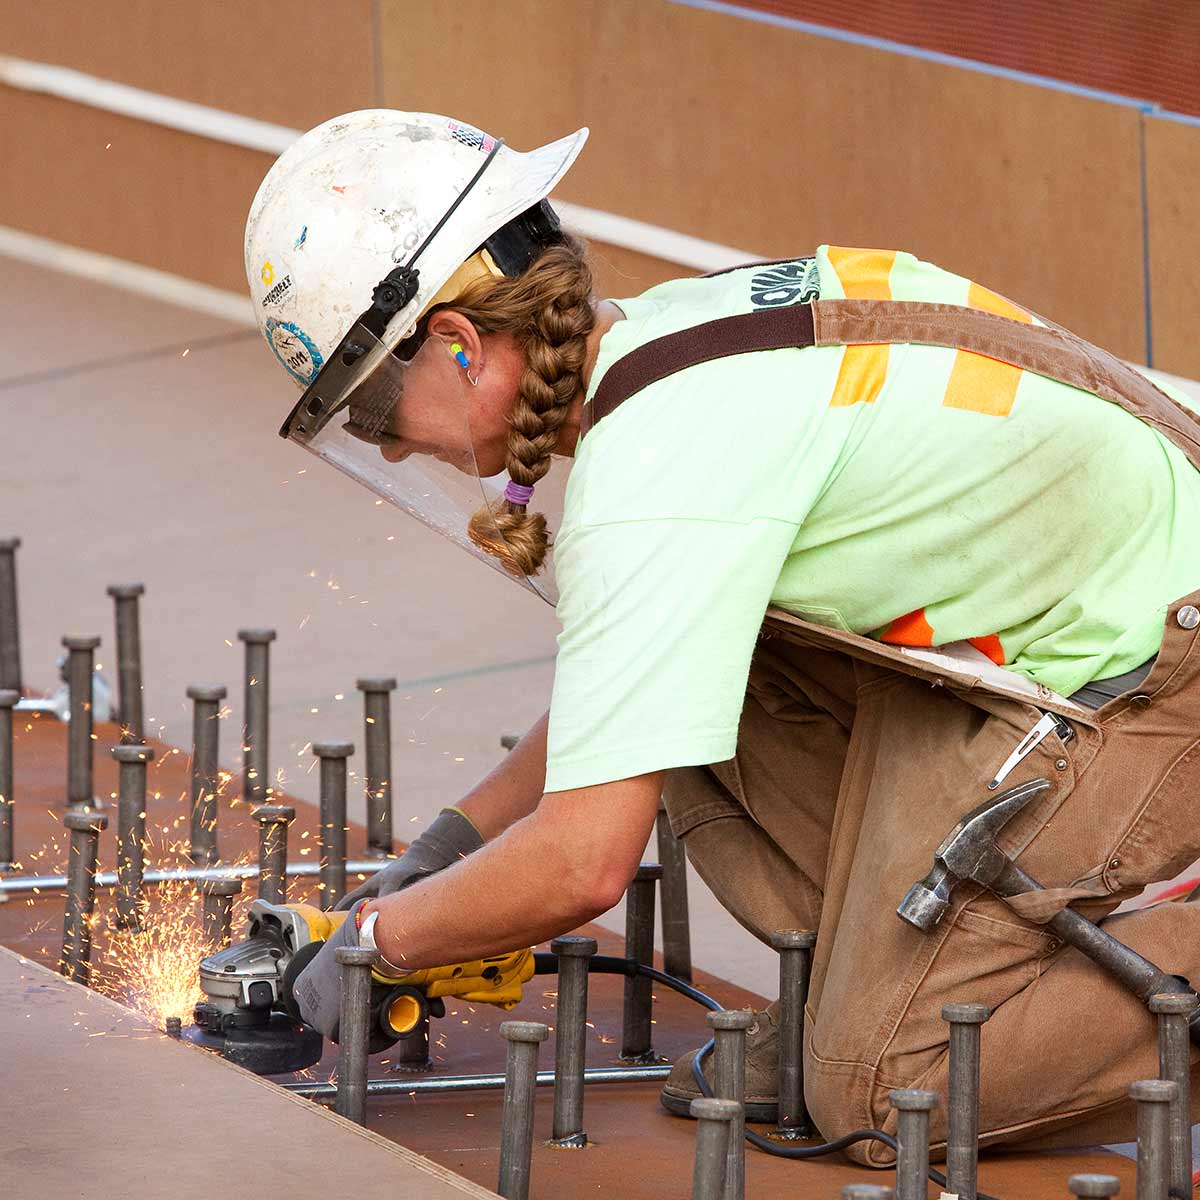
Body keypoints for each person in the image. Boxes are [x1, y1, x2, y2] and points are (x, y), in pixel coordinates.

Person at [248, 109, 1200, 1163]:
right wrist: (446, 853)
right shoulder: (666, 337)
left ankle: (897, 1023)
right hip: (1083, 628)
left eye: (377, 408)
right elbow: (630, 687)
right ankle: (882, 993)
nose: (386, 450)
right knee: (676, 703)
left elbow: (581, 867)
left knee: (884, 1091)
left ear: (461, 346)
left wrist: (385, 944)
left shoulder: (654, 478)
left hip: (1159, 669)